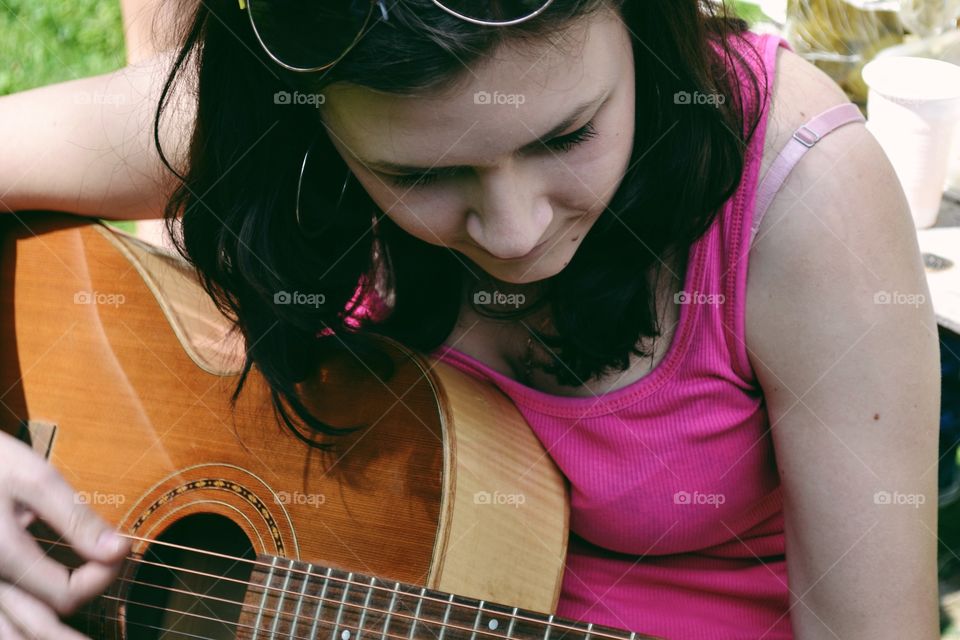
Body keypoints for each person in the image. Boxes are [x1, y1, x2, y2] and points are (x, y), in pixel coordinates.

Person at [0, 0, 942, 638]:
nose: (515, 229)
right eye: (421, 173)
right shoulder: (268, 112)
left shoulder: (803, 197)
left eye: (567, 135)